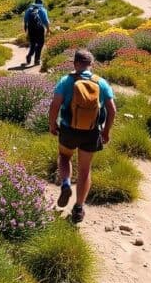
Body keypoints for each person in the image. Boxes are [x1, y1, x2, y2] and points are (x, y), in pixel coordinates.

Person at [48, 49, 117, 224]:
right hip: (91, 132)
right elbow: (112, 110)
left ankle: (65, 184)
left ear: (75, 63)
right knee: (85, 170)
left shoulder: (66, 81)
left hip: (68, 130)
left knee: (64, 157)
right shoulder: (101, 83)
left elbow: (55, 104)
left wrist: (52, 124)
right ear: (91, 64)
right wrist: (106, 131)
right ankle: (78, 208)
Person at [22, 0, 51, 67]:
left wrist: (26, 29)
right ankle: (37, 60)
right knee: (40, 44)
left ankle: (29, 55)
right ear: (42, 2)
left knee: (33, 44)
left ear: (35, 2)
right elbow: (46, 21)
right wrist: (48, 30)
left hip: (31, 29)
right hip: (40, 29)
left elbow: (25, 20)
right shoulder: (43, 10)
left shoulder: (29, 10)